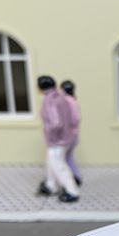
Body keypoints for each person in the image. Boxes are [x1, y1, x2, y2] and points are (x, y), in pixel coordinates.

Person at [36, 75, 79, 203]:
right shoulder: (60, 97)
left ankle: (72, 191)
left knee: (59, 165)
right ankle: (51, 185)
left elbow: (56, 123)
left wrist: (50, 133)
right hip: (64, 137)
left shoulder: (49, 100)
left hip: (57, 140)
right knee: (51, 162)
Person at [60, 79, 83, 187]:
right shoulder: (74, 100)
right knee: (68, 157)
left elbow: (73, 119)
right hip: (74, 134)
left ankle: (69, 179)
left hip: (68, 135)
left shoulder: (66, 102)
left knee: (62, 158)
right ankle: (75, 176)